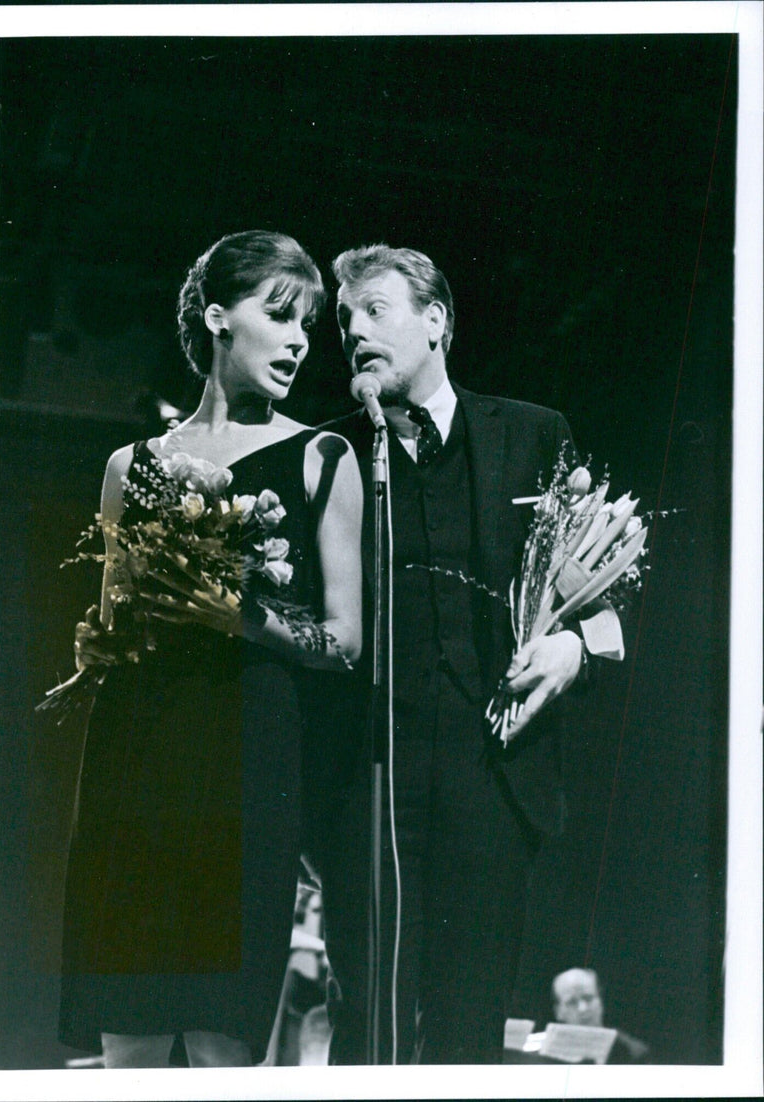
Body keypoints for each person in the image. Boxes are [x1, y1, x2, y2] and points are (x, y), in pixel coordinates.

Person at [57, 230, 362, 1068]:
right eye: (281, 315)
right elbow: (114, 619)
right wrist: (95, 642)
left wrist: (241, 618)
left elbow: (345, 640)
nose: (301, 340)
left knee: (227, 1048)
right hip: (137, 760)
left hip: (249, 765)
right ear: (217, 317)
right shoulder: (134, 464)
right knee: (129, 1036)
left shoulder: (323, 456)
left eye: (310, 326)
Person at [317, 244, 588, 1064]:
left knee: (469, 1030)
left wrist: (573, 647)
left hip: (490, 781)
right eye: (343, 321)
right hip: (368, 791)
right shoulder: (332, 453)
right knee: (365, 1024)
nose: (354, 333)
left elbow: (599, 599)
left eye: (375, 311)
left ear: (436, 322)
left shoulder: (534, 435)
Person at [551, 967, 650, 1064]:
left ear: (600, 1002)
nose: (583, 1009)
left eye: (588, 998)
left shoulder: (633, 1053)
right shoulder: (545, 1058)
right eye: (572, 1002)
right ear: (559, 1012)